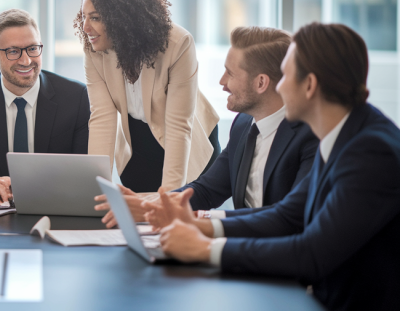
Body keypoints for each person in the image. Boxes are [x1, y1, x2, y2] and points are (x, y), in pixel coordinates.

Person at [148, 23, 400, 311]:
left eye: (286, 76)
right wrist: (202, 227)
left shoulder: (370, 151)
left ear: (309, 85)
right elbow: (287, 216)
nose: (278, 88)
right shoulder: (343, 134)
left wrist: (205, 249)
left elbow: (311, 254)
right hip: (323, 309)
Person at [95, 26, 318, 226]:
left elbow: (287, 216)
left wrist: (195, 218)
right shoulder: (243, 124)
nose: (222, 82)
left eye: (230, 73)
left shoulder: (312, 136)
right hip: (240, 244)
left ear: (261, 83)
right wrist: (150, 204)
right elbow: (206, 190)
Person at [75, 0, 220, 192]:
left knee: (178, 207)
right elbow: (102, 118)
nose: (85, 27)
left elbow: (178, 126)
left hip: (186, 141)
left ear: (121, 17)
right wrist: (93, 191)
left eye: (95, 18)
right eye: (84, 16)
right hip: (137, 141)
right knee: (138, 209)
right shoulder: (94, 50)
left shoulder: (178, 44)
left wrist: (171, 195)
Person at [0, 9, 91, 204]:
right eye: (13, 51)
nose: (26, 61)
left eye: (32, 48)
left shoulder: (75, 97)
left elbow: (85, 174)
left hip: (56, 207)